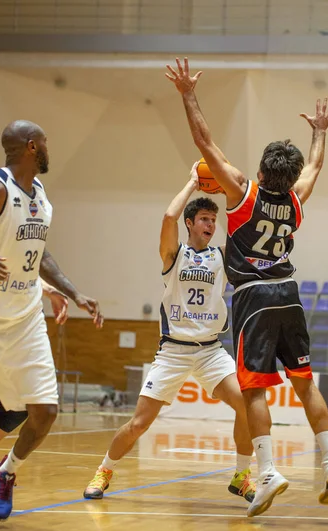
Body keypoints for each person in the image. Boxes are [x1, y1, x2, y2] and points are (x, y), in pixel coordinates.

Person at [165, 58, 328, 517]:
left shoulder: (244, 193)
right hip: (291, 295)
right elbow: (316, 168)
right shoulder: (296, 200)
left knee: (253, 392)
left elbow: (204, 141)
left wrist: (188, 93)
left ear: (263, 173)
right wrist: (320, 131)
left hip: (255, 300)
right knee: (304, 384)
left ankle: (266, 473)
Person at [83, 163, 255, 502]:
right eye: (204, 219)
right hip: (173, 351)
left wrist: (232, 189)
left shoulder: (223, 257)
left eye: (213, 219)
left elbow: (245, 226)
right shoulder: (173, 256)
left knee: (248, 406)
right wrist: (193, 183)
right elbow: (167, 218)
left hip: (210, 351)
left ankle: (242, 476)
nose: (210, 224)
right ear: (191, 223)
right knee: (138, 424)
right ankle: (103, 471)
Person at [0, 120, 104, 521]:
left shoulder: (40, 195)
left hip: (24, 317)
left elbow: (39, 253)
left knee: (45, 412)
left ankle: (6, 471)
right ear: (32, 146)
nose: (49, 147)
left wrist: (72, 291)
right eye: (45, 142)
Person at [0, 279, 69, 502]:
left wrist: (48, 289)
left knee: (18, 409)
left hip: (7, 326)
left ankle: (5, 471)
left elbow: (20, 261)